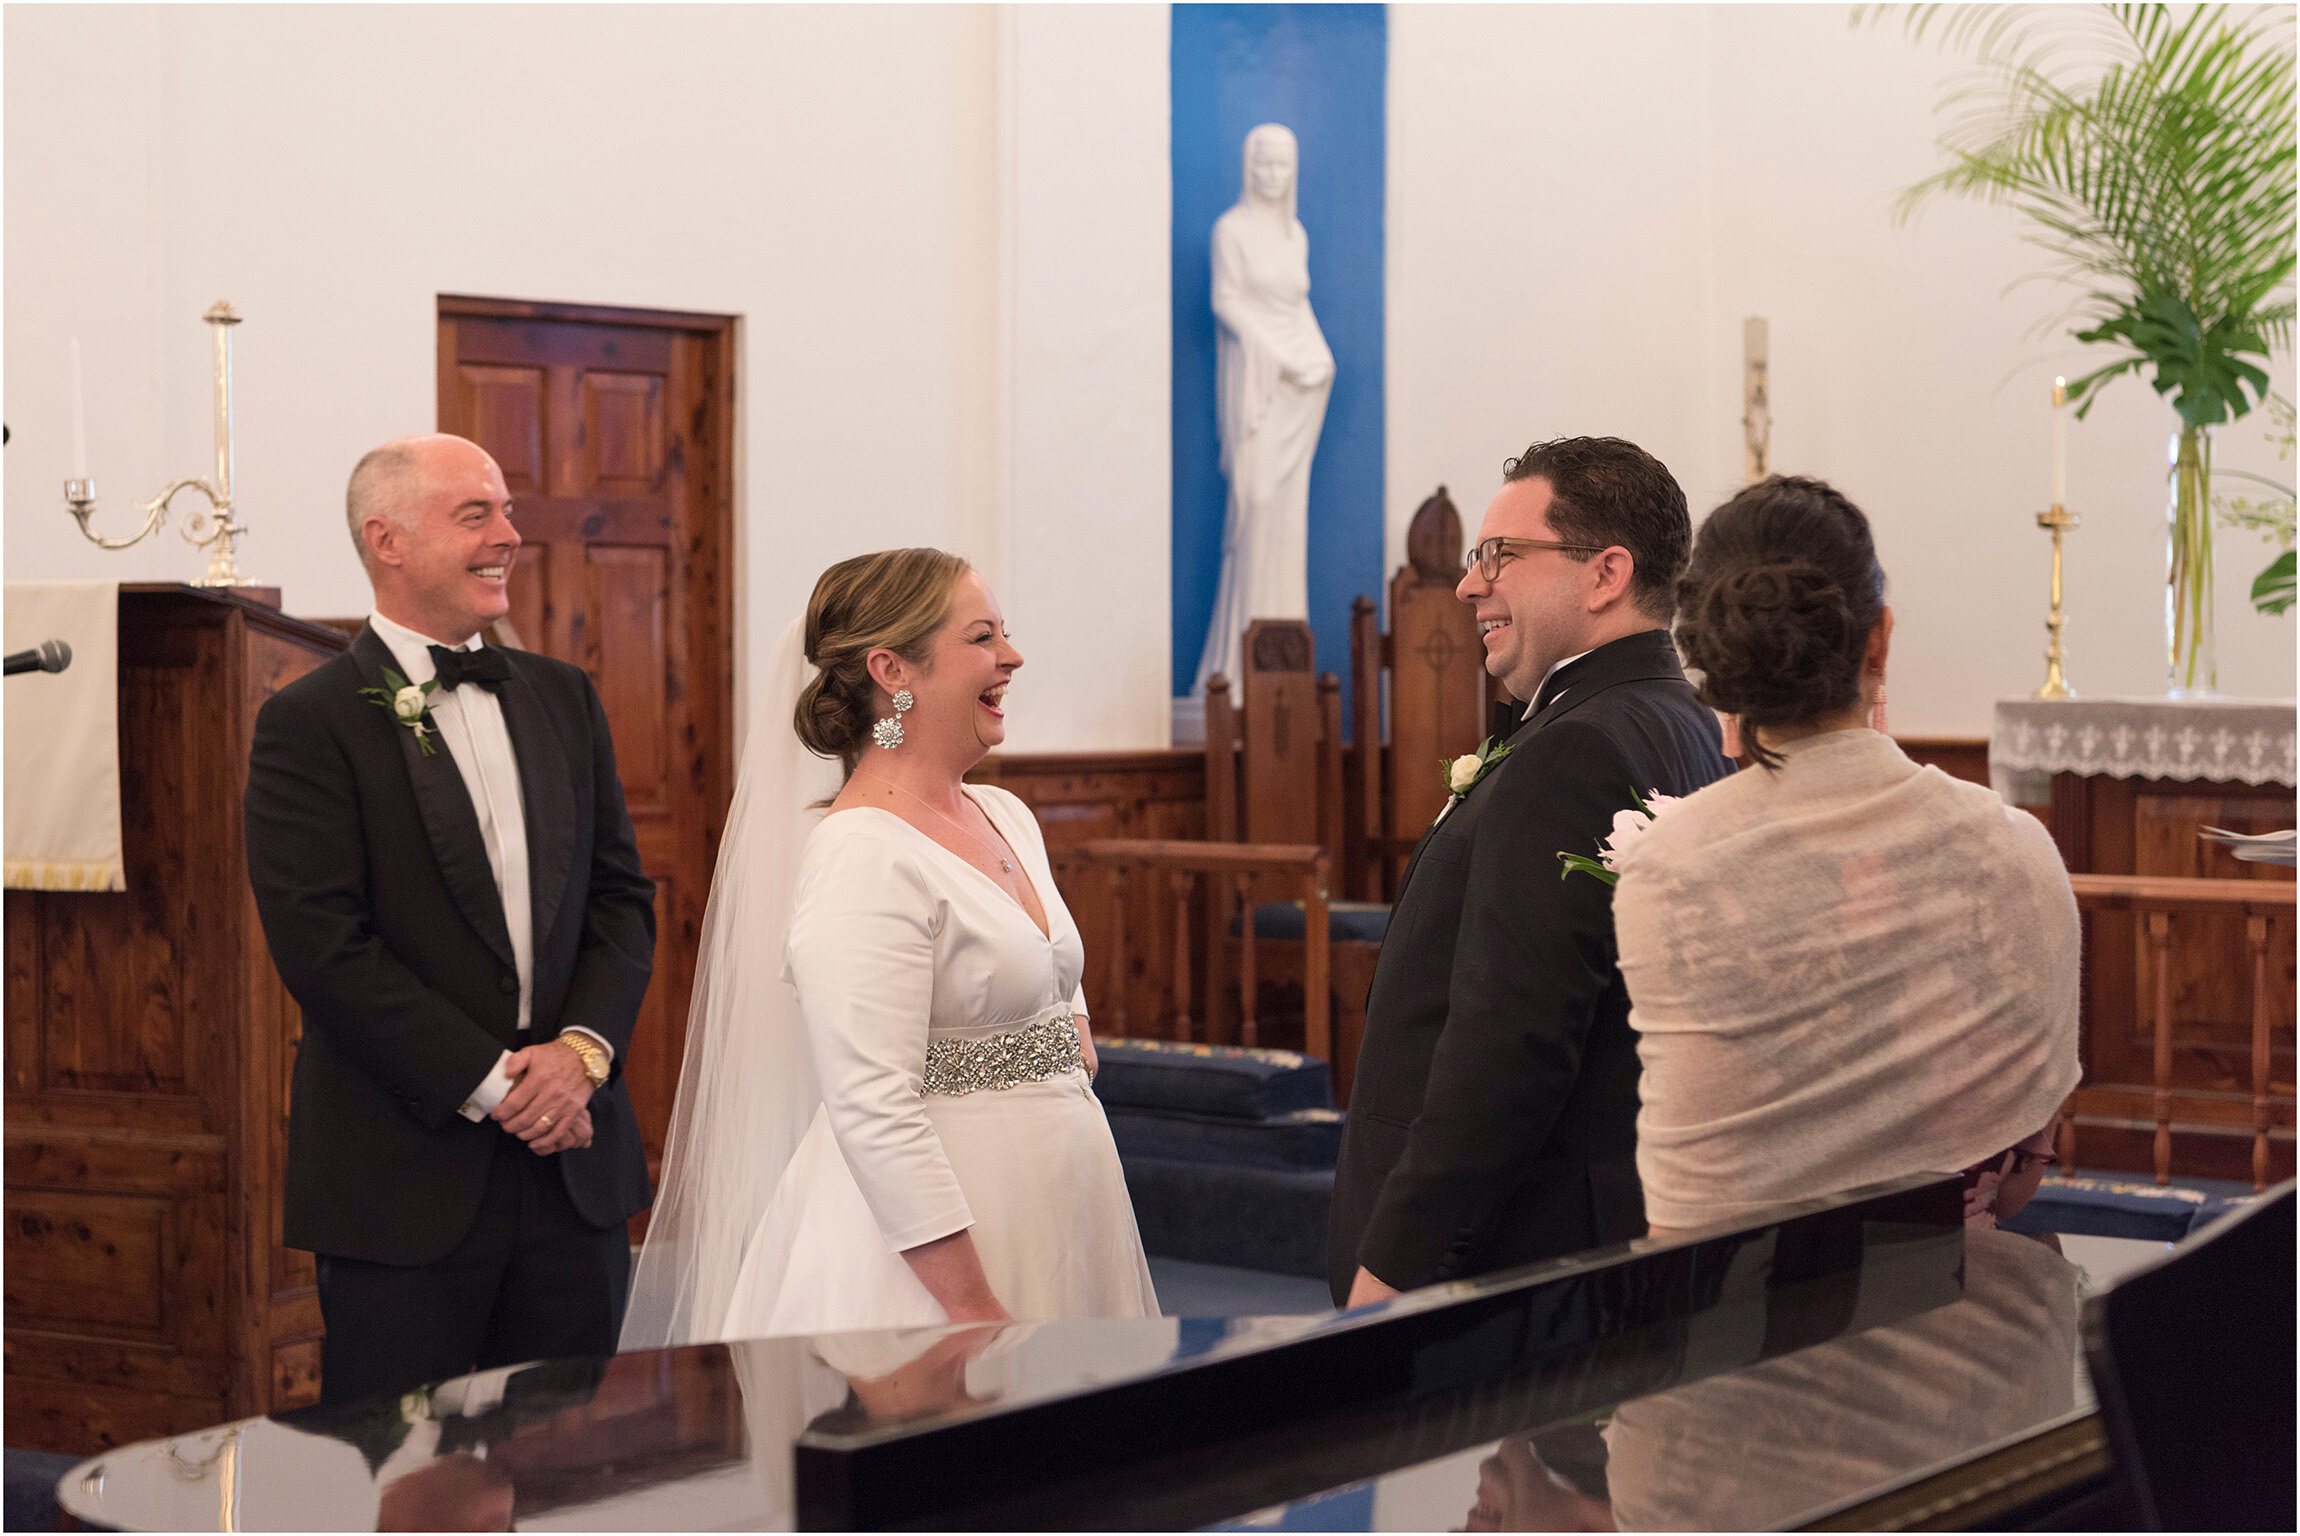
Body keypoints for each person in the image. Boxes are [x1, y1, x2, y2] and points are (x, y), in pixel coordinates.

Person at [622, 549, 1156, 1346]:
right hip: (940, 1241)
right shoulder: (863, 855)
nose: (1011, 657)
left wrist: (1061, 1028)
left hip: (1062, 1193)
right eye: (982, 638)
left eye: (1006, 634)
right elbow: (873, 1103)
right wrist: (972, 1309)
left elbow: (1042, 964)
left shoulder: (1007, 814)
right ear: (891, 668)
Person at [246, 434, 655, 1405]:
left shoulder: (563, 698)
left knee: (565, 1472)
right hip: (405, 1176)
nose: (509, 537)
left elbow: (620, 899)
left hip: (573, 1165)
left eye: (507, 513)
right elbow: (322, 946)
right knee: (409, 1484)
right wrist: (495, 1083)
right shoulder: (311, 721)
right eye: (477, 516)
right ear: (386, 540)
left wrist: (581, 1056)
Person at [1613, 475, 2080, 1237]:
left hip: (1730, 1324)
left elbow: (1694, 1190)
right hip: (1960, 1325)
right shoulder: (2016, 850)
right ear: (1880, 638)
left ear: (1716, 660)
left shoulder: (1665, 866)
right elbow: (2019, 1173)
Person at [1328, 437, 1733, 1308]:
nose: (1471, 584)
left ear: (1605, 574)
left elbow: (1510, 1045)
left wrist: (1396, 1266)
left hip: (1512, 1251)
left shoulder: (1576, 747)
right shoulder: (1685, 722)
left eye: (1500, 556)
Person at [1193, 121, 1335, 698]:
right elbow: (1225, 301)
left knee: (1287, 514)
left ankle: (1281, 666)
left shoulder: (1294, 234)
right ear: (1248, 167)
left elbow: (1298, 307)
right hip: (1257, 387)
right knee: (1254, 506)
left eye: (1282, 165)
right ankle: (1235, 666)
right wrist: (1280, 357)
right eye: (1263, 164)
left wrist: (1319, 360)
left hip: (1300, 387)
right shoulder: (1231, 230)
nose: (1272, 176)